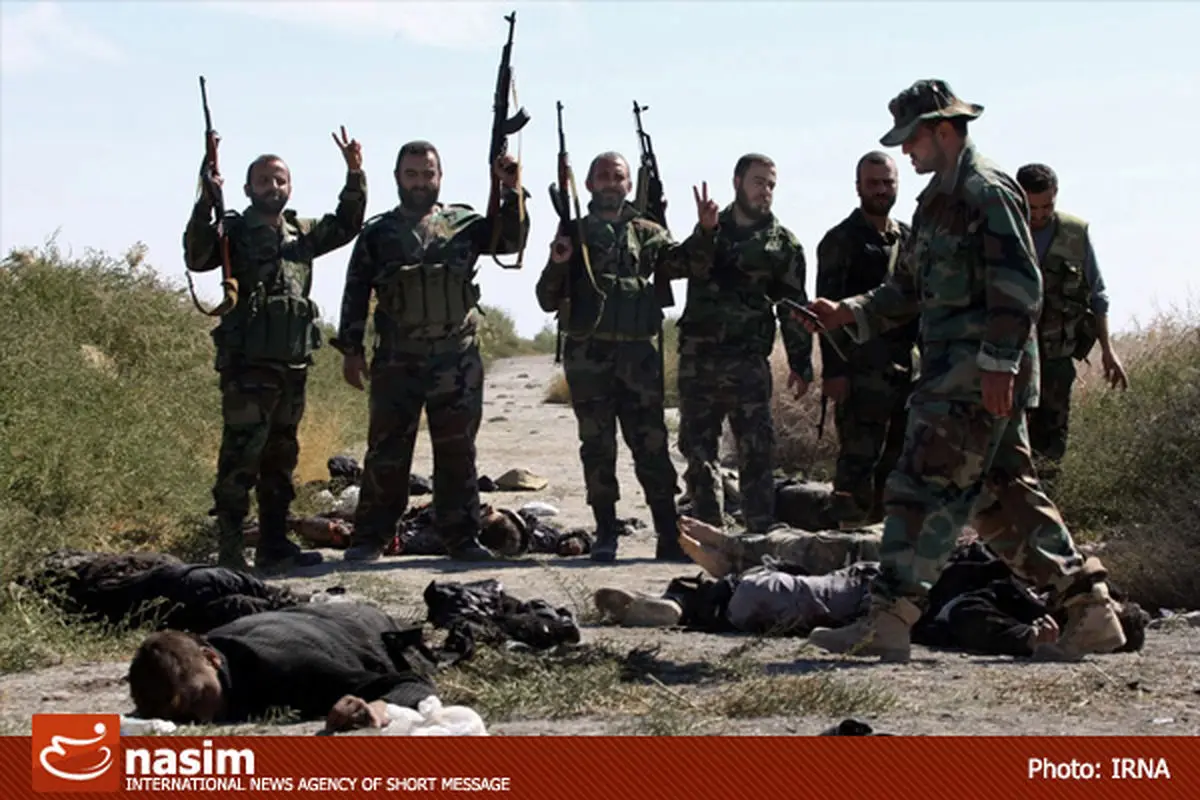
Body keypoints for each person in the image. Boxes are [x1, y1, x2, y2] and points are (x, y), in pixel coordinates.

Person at [796, 79, 1126, 662]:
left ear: (943, 130)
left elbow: (1021, 286)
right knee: (1004, 500)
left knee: (917, 487)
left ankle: (888, 621)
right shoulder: (934, 203)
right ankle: (1089, 610)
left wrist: (998, 366)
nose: (905, 151)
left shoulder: (985, 190)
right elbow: (907, 289)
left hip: (975, 379)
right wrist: (845, 312)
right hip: (958, 375)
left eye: (911, 138)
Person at [331, 141, 529, 563]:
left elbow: (510, 241)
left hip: (455, 357)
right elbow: (356, 289)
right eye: (412, 174)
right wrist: (351, 348)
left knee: (457, 451)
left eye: (428, 174)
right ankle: (371, 538)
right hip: (397, 358)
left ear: (440, 177)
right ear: (397, 178)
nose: (420, 182)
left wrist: (511, 188)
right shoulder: (378, 233)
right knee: (387, 450)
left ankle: (462, 538)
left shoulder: (464, 224)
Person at [183, 128, 367, 573]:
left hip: (293, 364)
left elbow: (347, 225)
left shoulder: (301, 233)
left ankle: (274, 544)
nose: (273, 187)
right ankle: (231, 551)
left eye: (280, 180)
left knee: (281, 460)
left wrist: (355, 174)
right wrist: (206, 199)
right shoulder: (232, 232)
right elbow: (196, 256)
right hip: (248, 367)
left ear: (290, 187)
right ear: (248, 189)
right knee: (239, 460)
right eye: (264, 181)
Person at [535, 151, 719, 562]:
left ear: (629, 185)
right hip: (589, 358)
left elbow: (685, 264)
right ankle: (606, 532)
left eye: (617, 176)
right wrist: (558, 262)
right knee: (597, 447)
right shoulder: (575, 232)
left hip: (639, 357)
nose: (610, 182)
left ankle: (668, 534)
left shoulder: (647, 232)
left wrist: (706, 231)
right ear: (588, 184)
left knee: (651, 445)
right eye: (602, 176)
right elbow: (546, 299)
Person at [674, 153, 814, 534]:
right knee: (698, 451)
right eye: (758, 182)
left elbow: (793, 308)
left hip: (747, 363)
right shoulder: (711, 229)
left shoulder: (783, 245)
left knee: (757, 451)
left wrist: (801, 363)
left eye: (771, 185)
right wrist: (704, 232)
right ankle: (707, 530)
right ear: (737, 182)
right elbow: (678, 266)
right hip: (699, 361)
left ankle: (759, 533)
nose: (765, 191)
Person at [127, 602, 436, 732]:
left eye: (198, 698)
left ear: (212, 659)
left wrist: (379, 705)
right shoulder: (197, 659)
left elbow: (412, 683)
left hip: (364, 625)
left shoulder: (285, 668)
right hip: (304, 618)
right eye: (181, 716)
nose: (199, 720)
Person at [815, 151, 919, 528]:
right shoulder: (840, 241)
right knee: (857, 464)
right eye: (872, 183)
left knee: (900, 464)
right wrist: (834, 372)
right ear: (858, 187)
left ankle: (886, 541)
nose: (881, 190)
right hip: (860, 374)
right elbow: (826, 315)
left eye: (887, 182)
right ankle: (847, 537)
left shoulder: (909, 238)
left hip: (907, 372)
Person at [1015, 163, 1129, 470]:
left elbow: (1097, 294)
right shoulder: (1002, 231)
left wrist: (1108, 351)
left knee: (1051, 450)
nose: (1039, 215)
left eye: (1047, 206)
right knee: (1010, 450)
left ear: (1056, 195)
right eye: (1031, 208)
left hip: (1056, 358)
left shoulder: (1074, 233)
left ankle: (1048, 499)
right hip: (1012, 359)